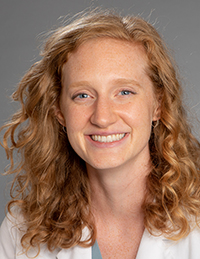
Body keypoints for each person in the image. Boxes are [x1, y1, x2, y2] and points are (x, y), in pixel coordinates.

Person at [0, 9, 200, 259]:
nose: (102, 117)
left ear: (158, 105)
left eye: (124, 92)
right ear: (59, 111)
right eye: (82, 95)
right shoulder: (20, 230)